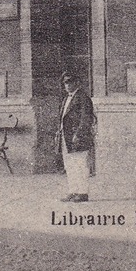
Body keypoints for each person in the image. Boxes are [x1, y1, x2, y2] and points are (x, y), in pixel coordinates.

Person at [58, 72, 96, 203]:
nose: (67, 85)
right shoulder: (65, 99)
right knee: (70, 165)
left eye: (70, 82)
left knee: (80, 165)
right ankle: (73, 191)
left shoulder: (83, 98)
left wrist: (78, 134)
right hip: (66, 138)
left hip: (78, 138)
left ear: (77, 83)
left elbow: (86, 119)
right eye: (65, 83)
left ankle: (83, 192)